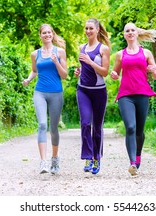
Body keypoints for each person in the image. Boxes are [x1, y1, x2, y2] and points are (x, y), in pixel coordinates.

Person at [110, 22, 156, 176]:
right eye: (127, 31)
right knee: (130, 127)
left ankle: (138, 156)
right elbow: (115, 73)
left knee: (139, 130)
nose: (130, 33)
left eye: (133, 30)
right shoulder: (120, 54)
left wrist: (153, 70)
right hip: (125, 95)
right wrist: (113, 75)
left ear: (137, 33)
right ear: (124, 35)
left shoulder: (146, 53)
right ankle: (132, 163)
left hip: (143, 94)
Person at [22, 24, 68, 174]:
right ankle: (43, 162)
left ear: (53, 34)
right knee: (42, 125)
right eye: (44, 33)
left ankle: (55, 159)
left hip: (56, 93)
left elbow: (64, 75)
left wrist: (56, 62)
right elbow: (35, 71)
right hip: (40, 92)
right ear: (40, 35)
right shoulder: (35, 54)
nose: (47, 35)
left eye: (49, 32)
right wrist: (28, 80)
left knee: (54, 129)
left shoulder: (60, 52)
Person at [74, 18, 111, 174]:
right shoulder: (82, 47)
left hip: (99, 92)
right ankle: (88, 157)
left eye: (91, 28)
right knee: (85, 123)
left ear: (97, 30)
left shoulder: (104, 49)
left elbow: (104, 72)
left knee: (97, 127)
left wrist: (89, 61)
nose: (88, 31)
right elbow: (84, 70)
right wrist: (78, 72)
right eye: (86, 28)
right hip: (83, 90)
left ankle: (97, 159)